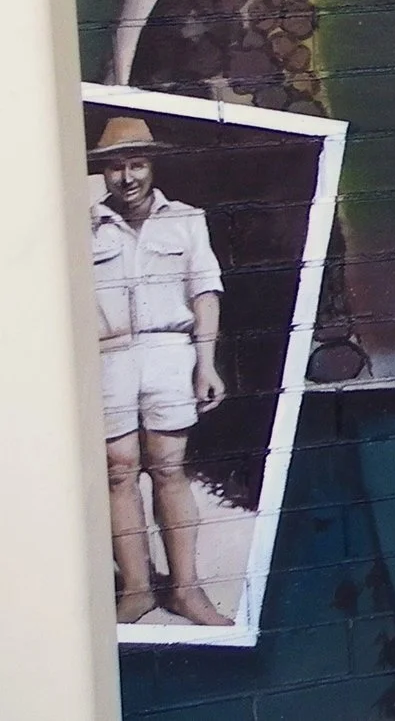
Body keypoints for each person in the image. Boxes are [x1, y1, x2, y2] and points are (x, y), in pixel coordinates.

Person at [90, 114, 231, 627]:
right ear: (102, 173)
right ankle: (136, 590)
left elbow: (205, 291)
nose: (127, 177)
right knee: (118, 471)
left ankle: (186, 591)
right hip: (107, 358)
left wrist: (206, 363)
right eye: (114, 168)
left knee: (169, 468)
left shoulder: (187, 219)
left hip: (170, 353)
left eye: (137, 164)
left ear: (152, 165)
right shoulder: (84, 225)